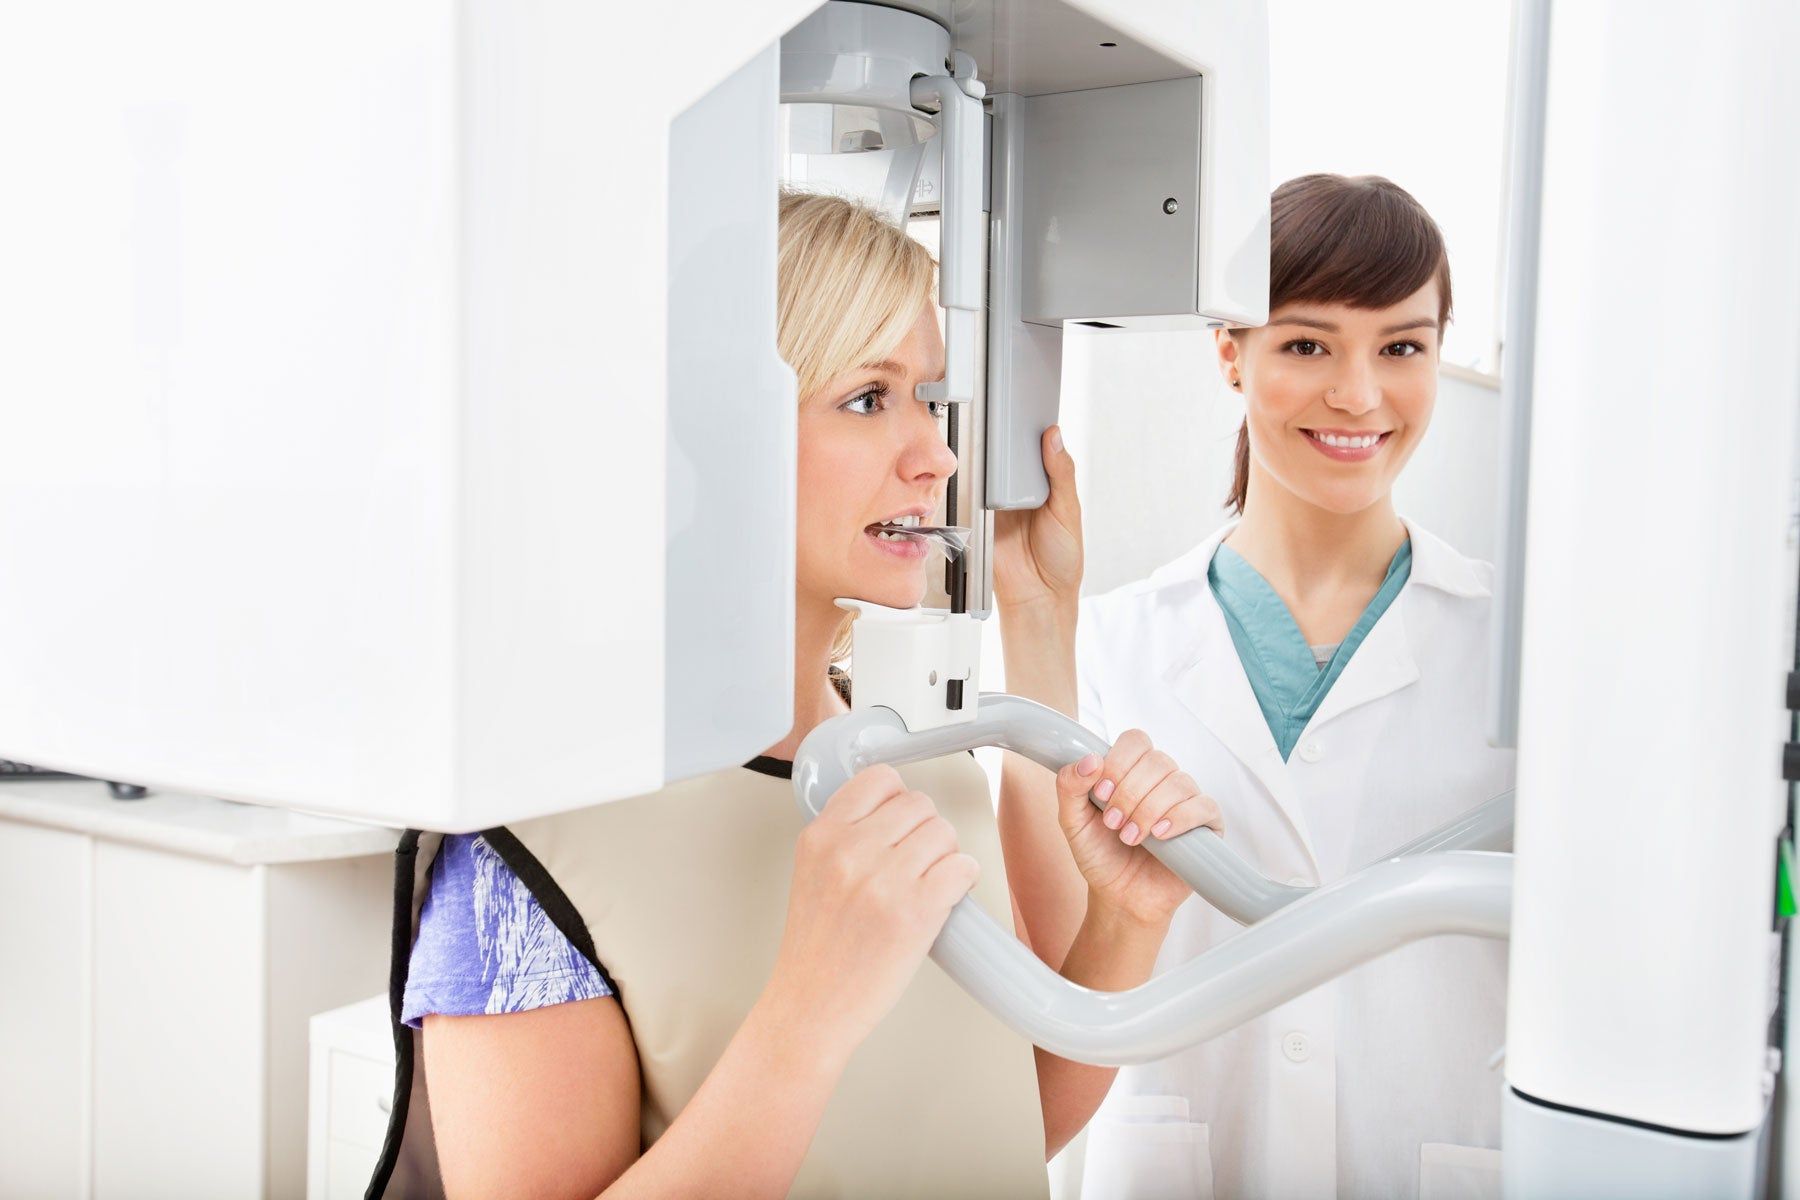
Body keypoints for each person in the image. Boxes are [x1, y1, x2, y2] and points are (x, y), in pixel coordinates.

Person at [368, 190, 1220, 1200]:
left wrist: (1124, 925)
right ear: (718, 432)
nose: (936, 455)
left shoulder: (921, 759)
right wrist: (810, 1009)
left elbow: (1009, 1118)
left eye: (929, 398)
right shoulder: (531, 836)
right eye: (869, 397)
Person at [995, 174, 1516, 1199]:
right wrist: (1035, 621)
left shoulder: (1521, 653)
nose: (1360, 395)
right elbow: (1059, 978)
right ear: (1230, 351)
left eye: (1401, 347)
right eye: (1309, 345)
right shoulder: (1111, 644)